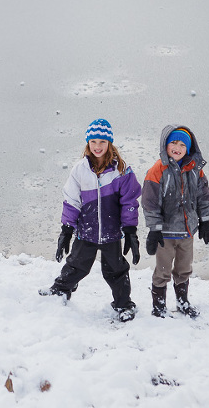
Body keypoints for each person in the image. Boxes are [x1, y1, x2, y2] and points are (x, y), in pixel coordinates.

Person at [40, 119, 142, 322]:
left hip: (112, 232)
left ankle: (123, 304)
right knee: (77, 264)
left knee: (115, 270)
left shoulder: (121, 171)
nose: (97, 146)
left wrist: (130, 231)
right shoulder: (79, 170)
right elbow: (71, 201)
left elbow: (129, 201)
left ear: (109, 143)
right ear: (88, 143)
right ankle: (61, 289)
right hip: (86, 230)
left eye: (102, 141)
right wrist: (66, 230)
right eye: (93, 141)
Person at [142, 125, 209, 318]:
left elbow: (203, 197)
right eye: (174, 142)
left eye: (182, 145)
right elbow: (149, 203)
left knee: (184, 269)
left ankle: (182, 301)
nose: (177, 147)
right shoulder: (157, 170)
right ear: (166, 144)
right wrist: (154, 229)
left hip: (187, 232)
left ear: (188, 149)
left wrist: (205, 221)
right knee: (162, 271)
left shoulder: (195, 170)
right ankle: (159, 305)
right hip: (165, 234)